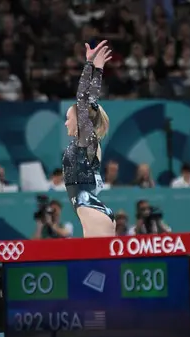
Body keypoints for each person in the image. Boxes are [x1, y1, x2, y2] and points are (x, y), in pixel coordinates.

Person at [62, 40, 114, 237]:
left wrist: (89, 64)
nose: (66, 123)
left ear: (80, 121)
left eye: (68, 119)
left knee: (102, 266)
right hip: (89, 208)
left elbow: (83, 100)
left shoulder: (87, 141)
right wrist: (98, 69)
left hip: (90, 208)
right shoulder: (84, 142)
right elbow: (90, 102)